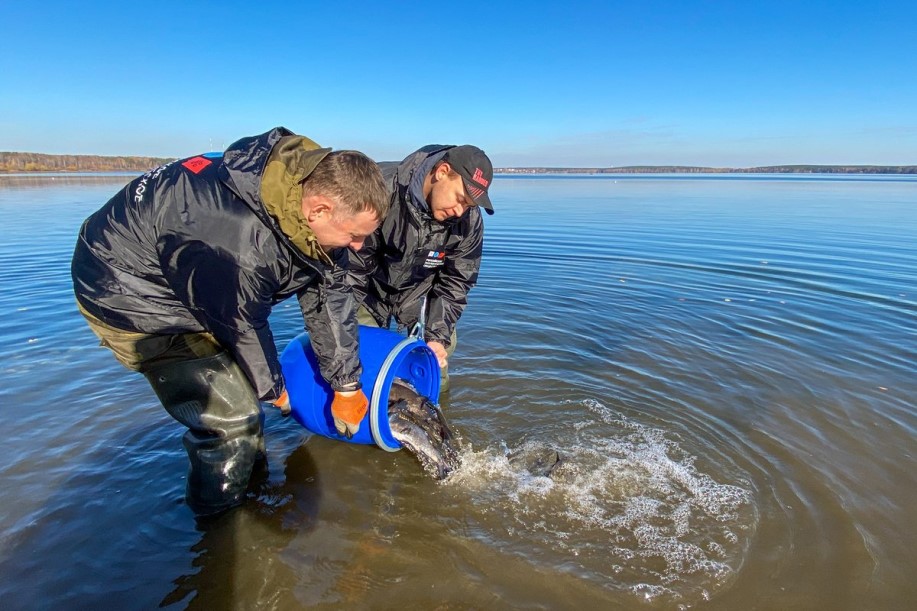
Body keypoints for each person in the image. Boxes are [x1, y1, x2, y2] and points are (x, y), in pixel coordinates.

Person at [71, 127, 389, 515]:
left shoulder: (304, 211)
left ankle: (250, 488)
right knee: (234, 420)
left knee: (248, 407)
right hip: (127, 291)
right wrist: (277, 392)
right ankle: (221, 532)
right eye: (354, 236)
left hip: (202, 282)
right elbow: (240, 321)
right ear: (319, 209)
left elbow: (331, 297)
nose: (359, 247)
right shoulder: (237, 240)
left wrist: (346, 386)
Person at [348, 144, 494, 392]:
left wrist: (437, 337)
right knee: (363, 369)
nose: (460, 210)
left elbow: (457, 281)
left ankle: (435, 422)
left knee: (434, 370)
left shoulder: (467, 220)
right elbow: (349, 268)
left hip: (421, 297)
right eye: (460, 198)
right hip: (367, 291)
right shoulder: (381, 188)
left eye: (469, 204)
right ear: (442, 172)